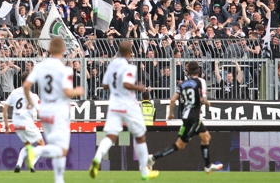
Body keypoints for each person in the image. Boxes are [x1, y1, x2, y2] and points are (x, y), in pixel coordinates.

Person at [89, 41, 158, 180]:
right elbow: (126, 84)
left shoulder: (112, 65)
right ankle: (144, 171)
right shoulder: (129, 67)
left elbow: (105, 85)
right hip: (128, 105)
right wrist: (139, 88)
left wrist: (116, 88)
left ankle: (97, 157)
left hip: (114, 104)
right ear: (129, 52)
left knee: (111, 136)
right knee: (140, 137)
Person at [23, 37, 84, 183]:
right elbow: (67, 92)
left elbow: (26, 85)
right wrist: (78, 91)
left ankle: (59, 179)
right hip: (59, 112)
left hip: (45, 112)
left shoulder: (40, 66)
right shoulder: (64, 69)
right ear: (63, 50)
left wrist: (30, 101)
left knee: (56, 147)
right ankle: (37, 151)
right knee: (61, 149)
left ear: (49, 49)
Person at [148, 61, 223, 174]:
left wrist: (171, 114)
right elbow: (202, 99)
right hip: (192, 118)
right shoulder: (200, 81)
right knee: (180, 145)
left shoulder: (183, 84)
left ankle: (207, 165)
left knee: (206, 137)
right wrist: (207, 103)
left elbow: (173, 100)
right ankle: (153, 158)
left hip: (189, 116)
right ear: (198, 70)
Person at [3, 71, 44, 173]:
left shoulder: (14, 92)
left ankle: (18, 165)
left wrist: (7, 125)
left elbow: (5, 107)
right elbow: (39, 111)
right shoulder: (32, 95)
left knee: (27, 144)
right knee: (42, 144)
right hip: (27, 122)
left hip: (16, 123)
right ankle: (32, 160)